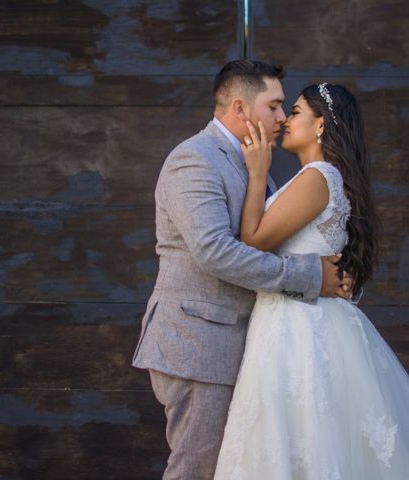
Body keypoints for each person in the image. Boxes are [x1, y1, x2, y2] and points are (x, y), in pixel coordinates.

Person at [214, 83, 409, 479]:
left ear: (320, 126)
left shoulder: (318, 177)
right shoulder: (317, 178)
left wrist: (257, 172)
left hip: (299, 329)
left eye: (295, 112)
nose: (285, 121)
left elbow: (254, 241)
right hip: (296, 321)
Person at [131, 61, 354, 479]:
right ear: (240, 107)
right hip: (198, 345)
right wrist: (310, 277)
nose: (283, 118)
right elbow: (214, 251)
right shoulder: (194, 160)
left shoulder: (258, 167)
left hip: (239, 344)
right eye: (274, 106)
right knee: (199, 467)